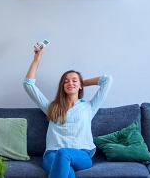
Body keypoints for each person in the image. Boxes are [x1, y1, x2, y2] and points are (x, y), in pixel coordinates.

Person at [23, 43, 113, 178]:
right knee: (66, 169)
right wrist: (37, 58)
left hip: (81, 154)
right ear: (62, 86)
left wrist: (82, 82)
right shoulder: (51, 107)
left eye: (74, 81)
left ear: (80, 85)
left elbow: (107, 80)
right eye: (66, 81)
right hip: (52, 154)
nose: (70, 83)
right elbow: (28, 85)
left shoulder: (89, 107)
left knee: (64, 153)